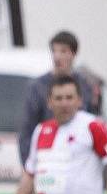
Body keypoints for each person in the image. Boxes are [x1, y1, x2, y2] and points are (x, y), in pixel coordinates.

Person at [18, 31, 98, 164]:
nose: (57, 57)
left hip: (77, 159)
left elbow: (91, 122)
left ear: (73, 54)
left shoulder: (85, 86)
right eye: (54, 51)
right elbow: (27, 130)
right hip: (48, 157)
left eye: (63, 51)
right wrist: (30, 167)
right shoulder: (38, 87)